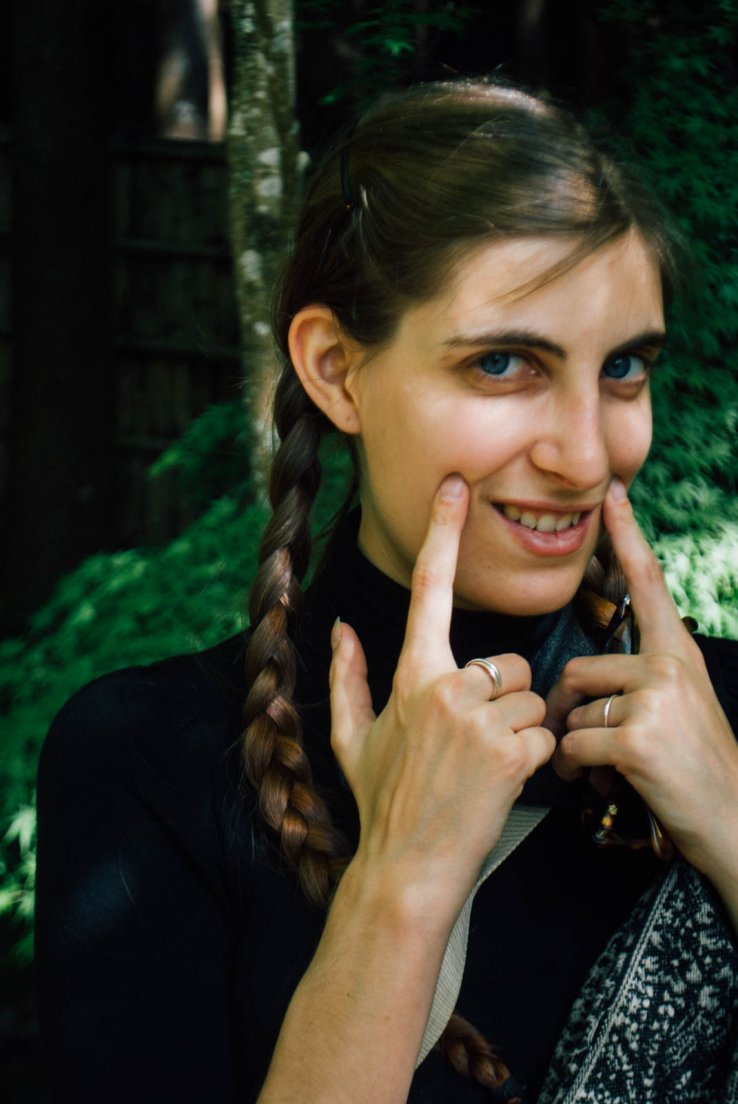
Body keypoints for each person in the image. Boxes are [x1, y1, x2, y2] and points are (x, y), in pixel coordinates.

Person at [35, 79, 738, 1103]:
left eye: (624, 368)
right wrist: (401, 886)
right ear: (336, 370)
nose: (588, 455)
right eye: (505, 363)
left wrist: (726, 815)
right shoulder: (150, 763)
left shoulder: (721, 724)